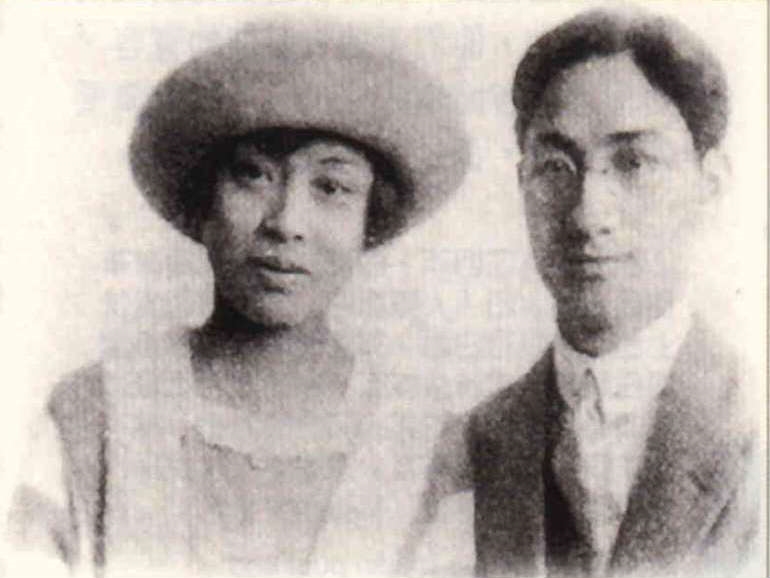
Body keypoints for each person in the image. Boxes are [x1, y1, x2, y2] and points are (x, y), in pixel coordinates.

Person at [6, 23, 470, 577]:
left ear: (369, 221)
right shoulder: (95, 414)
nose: (287, 222)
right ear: (205, 202)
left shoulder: (426, 448)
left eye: (331, 187)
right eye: (253, 175)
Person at [461, 8, 760, 578]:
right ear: (522, 183)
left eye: (634, 163)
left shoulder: (753, 420)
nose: (587, 215)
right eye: (556, 166)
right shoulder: (471, 443)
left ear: (710, 185)